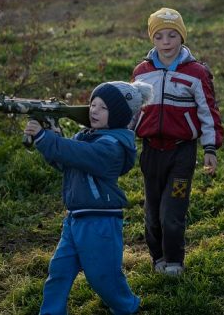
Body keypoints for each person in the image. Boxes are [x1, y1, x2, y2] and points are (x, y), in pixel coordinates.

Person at [25, 80, 149, 315]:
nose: (94, 110)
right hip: (74, 219)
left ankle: (127, 307)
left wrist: (49, 139)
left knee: (103, 277)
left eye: (103, 107)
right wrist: (48, 138)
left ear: (119, 115)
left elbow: (80, 155)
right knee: (58, 271)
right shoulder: (85, 136)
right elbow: (65, 161)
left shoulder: (113, 146)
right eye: (93, 104)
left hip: (100, 221)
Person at [131, 7, 224, 276]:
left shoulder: (196, 72)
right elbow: (132, 111)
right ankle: (158, 257)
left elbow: (208, 110)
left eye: (172, 35)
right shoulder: (141, 72)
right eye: (159, 36)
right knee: (152, 214)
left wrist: (210, 147)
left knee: (171, 213)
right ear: (153, 39)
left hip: (182, 153)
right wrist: (122, 138)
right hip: (151, 152)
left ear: (182, 37)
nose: (166, 42)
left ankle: (174, 261)